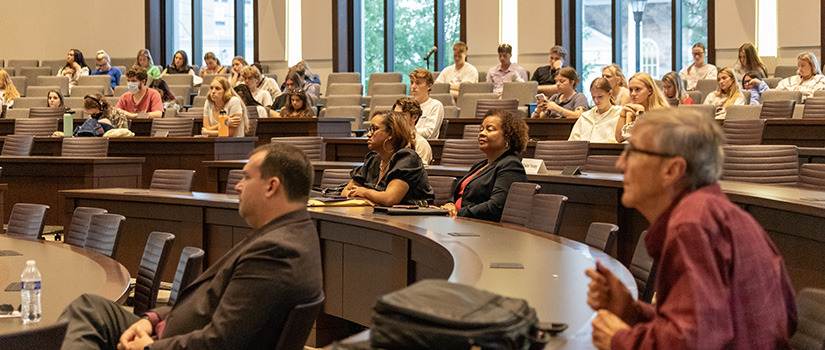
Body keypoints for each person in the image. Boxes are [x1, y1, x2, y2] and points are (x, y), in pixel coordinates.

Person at [59, 142, 323, 350]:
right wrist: (151, 320)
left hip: (176, 344)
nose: (238, 186)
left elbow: (222, 342)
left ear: (271, 186)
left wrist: (151, 347)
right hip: (171, 332)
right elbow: (206, 304)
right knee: (91, 308)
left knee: (82, 319)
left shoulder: (278, 251)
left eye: (245, 177)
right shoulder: (287, 233)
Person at [585, 109, 797, 350]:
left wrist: (620, 340)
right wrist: (633, 312)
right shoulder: (717, 212)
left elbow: (693, 342)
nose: (620, 163)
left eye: (632, 151)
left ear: (672, 170)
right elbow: (779, 317)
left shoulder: (691, 225)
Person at [440, 109, 528, 222]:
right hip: (460, 222)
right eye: (481, 129)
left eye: (489, 129)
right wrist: (450, 204)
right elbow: (463, 193)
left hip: (480, 227)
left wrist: (459, 212)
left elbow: (496, 206)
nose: (482, 133)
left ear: (507, 136)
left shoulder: (511, 165)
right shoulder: (480, 165)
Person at [341, 110, 434, 206]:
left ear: (391, 134)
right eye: (370, 129)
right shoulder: (373, 159)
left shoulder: (407, 159)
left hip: (407, 219)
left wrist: (365, 192)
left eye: (375, 129)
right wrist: (369, 199)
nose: (369, 134)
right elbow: (345, 192)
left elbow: (389, 199)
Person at [614, 73, 669, 143]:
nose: (633, 94)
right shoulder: (631, 110)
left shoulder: (661, 112)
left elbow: (639, 139)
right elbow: (619, 138)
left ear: (650, 91)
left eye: (638, 89)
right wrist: (623, 112)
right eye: (631, 90)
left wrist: (640, 112)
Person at [569, 78, 621, 143]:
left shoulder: (619, 115)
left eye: (600, 97)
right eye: (593, 97)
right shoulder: (585, 117)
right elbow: (572, 142)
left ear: (610, 94)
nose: (596, 101)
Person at [393, 96, 433, 165]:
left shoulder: (421, 144)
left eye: (401, 115)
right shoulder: (390, 140)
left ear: (414, 117)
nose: (396, 118)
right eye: (395, 115)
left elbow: (418, 174)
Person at [409, 68, 445, 139]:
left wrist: (407, 132)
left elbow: (429, 133)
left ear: (429, 86)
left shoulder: (435, 105)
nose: (413, 86)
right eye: (412, 83)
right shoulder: (407, 105)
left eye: (418, 83)